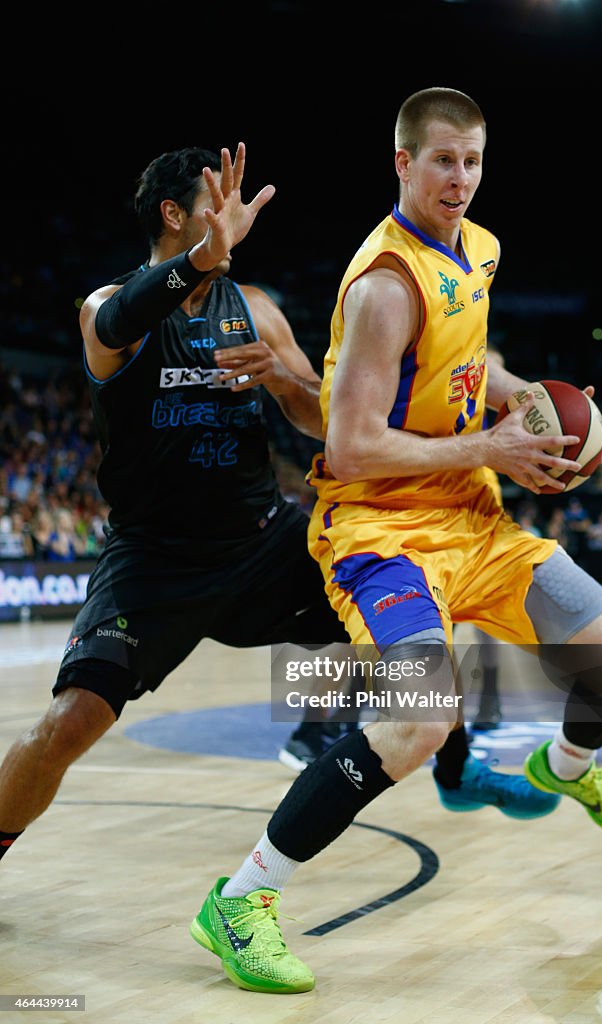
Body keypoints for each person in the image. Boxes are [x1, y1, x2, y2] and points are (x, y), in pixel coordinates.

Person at [0, 141, 555, 992]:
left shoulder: (254, 308)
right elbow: (113, 331)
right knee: (69, 723)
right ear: (176, 217)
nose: (234, 219)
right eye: (215, 202)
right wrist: (197, 263)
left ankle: (454, 764)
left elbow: (323, 421)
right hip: (154, 560)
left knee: (416, 611)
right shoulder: (111, 304)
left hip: (262, 542)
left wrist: (280, 387)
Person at [186, 88, 602, 996]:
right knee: (418, 719)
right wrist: (493, 444)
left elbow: (471, 373)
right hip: (380, 531)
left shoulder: (477, 249)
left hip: (471, 519)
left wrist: (538, 411)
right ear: (401, 163)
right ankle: (241, 901)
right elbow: (350, 445)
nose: (460, 178)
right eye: (442, 160)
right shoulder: (382, 285)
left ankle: (567, 769)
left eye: (473, 160)